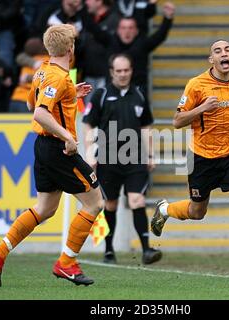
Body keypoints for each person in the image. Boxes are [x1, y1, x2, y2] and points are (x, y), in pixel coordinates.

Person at [0, 24, 105, 287]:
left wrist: (71, 95)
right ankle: (67, 263)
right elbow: (39, 113)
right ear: (70, 48)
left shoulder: (43, 71)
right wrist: (68, 137)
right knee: (95, 203)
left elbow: (31, 103)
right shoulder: (58, 77)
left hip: (42, 145)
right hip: (58, 148)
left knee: (46, 208)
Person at [150, 40, 229, 282]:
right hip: (203, 157)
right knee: (197, 212)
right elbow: (177, 120)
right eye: (217, 51)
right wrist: (202, 108)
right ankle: (164, 209)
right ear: (211, 60)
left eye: (227, 50)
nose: (223, 54)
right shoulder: (196, 85)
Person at [82, 53, 161, 265]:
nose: (123, 74)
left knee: (137, 200)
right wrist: (90, 152)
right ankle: (109, 249)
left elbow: (146, 127)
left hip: (135, 158)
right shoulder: (101, 94)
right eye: (119, 71)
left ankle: (146, 250)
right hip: (108, 158)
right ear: (111, 72)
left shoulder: (140, 94)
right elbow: (89, 123)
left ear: (131, 70)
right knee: (110, 204)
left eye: (126, 70)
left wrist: (150, 154)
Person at [82, 1, 175, 95]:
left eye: (130, 28)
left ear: (136, 31)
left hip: (137, 93)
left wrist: (167, 18)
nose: (127, 32)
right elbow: (92, 28)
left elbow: (160, 36)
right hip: (112, 93)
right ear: (118, 30)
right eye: (123, 28)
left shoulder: (142, 44)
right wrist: (80, 8)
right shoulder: (110, 41)